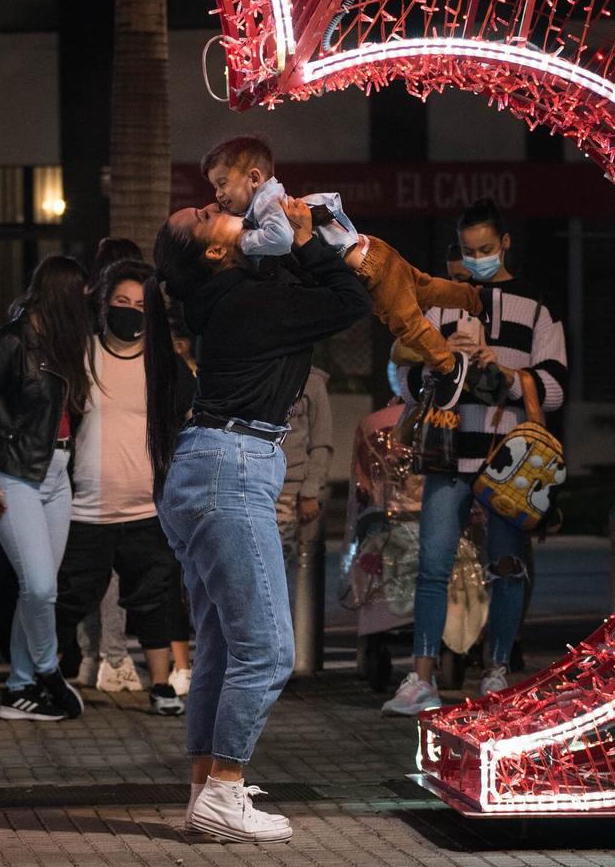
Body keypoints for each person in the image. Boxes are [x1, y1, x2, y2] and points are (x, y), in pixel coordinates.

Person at [155, 196, 370, 842]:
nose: (216, 205)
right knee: (269, 649)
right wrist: (304, 239)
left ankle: (204, 791)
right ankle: (224, 788)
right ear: (218, 251)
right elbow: (350, 303)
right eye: (204, 216)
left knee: (221, 644)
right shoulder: (249, 303)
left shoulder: (226, 298)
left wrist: (286, 237)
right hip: (231, 466)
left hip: (208, 464)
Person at [383, 198, 568, 716]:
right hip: (448, 454)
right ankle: (421, 679)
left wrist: (504, 373)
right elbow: (403, 376)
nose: (477, 258)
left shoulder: (535, 305)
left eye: (486, 249)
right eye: (469, 250)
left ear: (505, 243)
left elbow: (553, 389)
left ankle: (499, 672)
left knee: (506, 568)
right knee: (433, 566)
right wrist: (448, 363)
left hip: (509, 462)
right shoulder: (438, 304)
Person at [203, 136, 482, 410]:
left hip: (369, 269)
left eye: (222, 183)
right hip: (372, 253)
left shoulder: (267, 205)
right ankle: (476, 300)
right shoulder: (267, 205)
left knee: (406, 325)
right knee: (425, 287)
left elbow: (280, 240)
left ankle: (448, 365)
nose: (218, 194)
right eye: (215, 186)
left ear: (254, 177)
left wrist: (241, 241)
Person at [0, 255, 94, 722]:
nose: (88, 303)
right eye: (81, 294)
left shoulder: (62, 344)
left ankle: (19, 688)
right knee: (39, 586)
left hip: (56, 472)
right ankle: (48, 672)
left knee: (36, 590)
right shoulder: (11, 342)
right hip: (14, 474)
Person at [53, 260, 193, 717]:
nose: (130, 312)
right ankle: (46, 677)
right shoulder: (81, 355)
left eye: (140, 305)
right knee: (69, 599)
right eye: (121, 303)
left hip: (146, 509)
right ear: (103, 305)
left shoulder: (163, 364)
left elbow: (191, 418)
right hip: (84, 510)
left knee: (155, 599)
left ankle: (161, 685)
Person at [79, 236, 145, 692]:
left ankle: (95, 657)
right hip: (98, 487)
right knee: (105, 581)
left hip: (126, 487)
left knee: (101, 580)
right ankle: (110, 658)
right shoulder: (87, 350)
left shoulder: (148, 352)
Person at [277, 366, 332, 583]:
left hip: (287, 490)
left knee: (275, 570)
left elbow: (321, 441)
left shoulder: (312, 381)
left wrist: (310, 491)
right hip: (249, 487)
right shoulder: (254, 369)